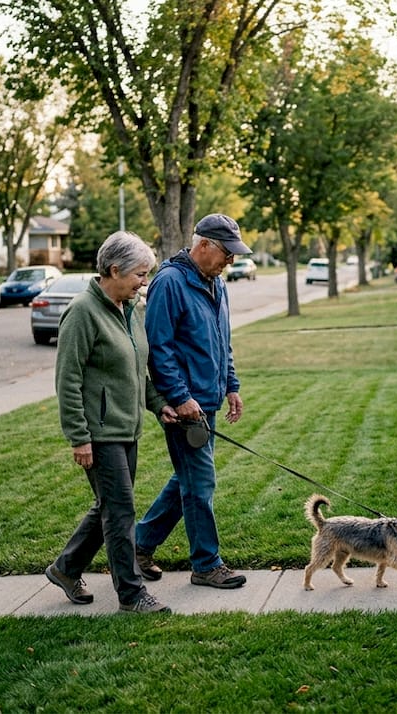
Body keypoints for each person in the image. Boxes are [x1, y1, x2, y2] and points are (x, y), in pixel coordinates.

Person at [46, 231, 177, 614]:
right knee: (120, 512)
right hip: (99, 434)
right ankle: (131, 595)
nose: (144, 282)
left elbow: (136, 371)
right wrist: (79, 438)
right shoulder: (83, 312)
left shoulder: (131, 310)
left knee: (109, 505)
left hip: (127, 428)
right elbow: (67, 380)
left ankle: (66, 568)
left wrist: (159, 404)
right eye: (139, 274)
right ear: (114, 269)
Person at [135, 213, 252, 589]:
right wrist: (180, 397)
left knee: (186, 480)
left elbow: (223, 341)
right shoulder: (169, 283)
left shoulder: (216, 283)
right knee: (200, 484)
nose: (230, 261)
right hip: (186, 409)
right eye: (226, 253)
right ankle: (206, 564)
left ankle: (139, 544)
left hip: (209, 401)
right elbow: (160, 350)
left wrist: (231, 384)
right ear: (203, 246)